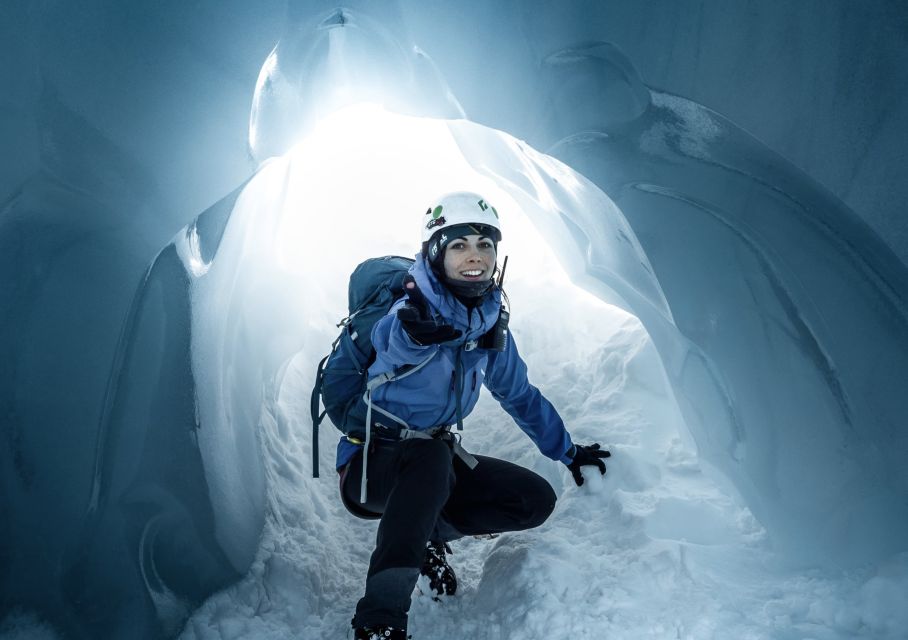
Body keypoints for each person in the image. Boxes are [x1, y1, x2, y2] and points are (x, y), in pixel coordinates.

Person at [337, 191, 611, 640]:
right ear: (435, 252)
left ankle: (425, 538)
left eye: (485, 245)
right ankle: (380, 620)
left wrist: (568, 451)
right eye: (459, 244)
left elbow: (520, 395)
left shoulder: (487, 326)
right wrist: (414, 333)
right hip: (372, 466)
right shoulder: (406, 311)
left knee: (531, 499)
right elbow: (391, 341)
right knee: (430, 460)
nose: (475, 256)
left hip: (433, 464)